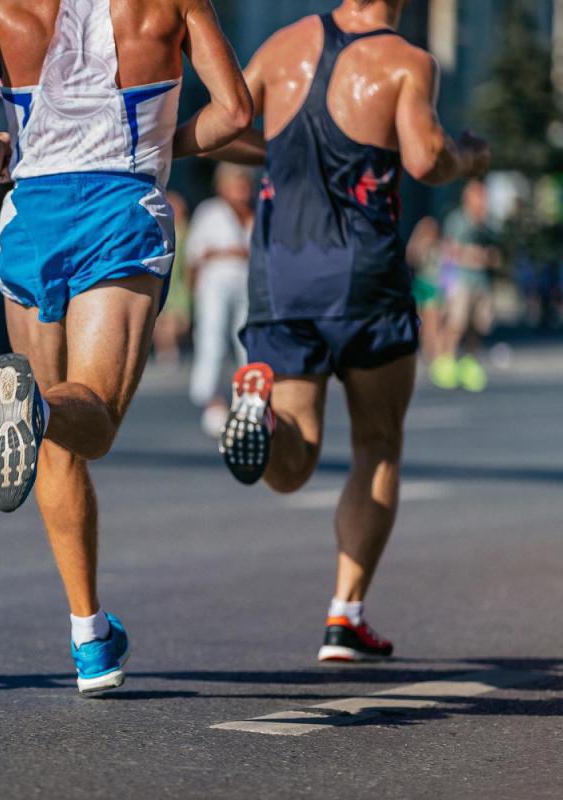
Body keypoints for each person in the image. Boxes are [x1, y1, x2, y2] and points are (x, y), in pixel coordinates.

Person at [0, 0, 252, 694]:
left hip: (29, 214)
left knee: (55, 445)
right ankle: (32, 406)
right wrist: (169, 140)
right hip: (119, 207)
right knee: (90, 418)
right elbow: (237, 114)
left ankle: (90, 635)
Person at [212, 0, 489, 662]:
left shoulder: (282, 46)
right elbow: (424, 160)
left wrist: (279, 150)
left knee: (293, 461)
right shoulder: (406, 60)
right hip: (364, 281)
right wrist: (467, 157)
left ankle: (261, 418)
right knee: (377, 445)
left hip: (280, 281)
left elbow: (223, 127)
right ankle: (345, 615)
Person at [187, 163, 253, 437]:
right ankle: (211, 399)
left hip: (248, 284)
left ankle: (250, 400)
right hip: (216, 283)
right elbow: (193, 255)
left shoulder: (255, 214)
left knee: (247, 340)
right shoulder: (210, 211)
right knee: (212, 338)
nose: (241, 189)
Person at [432, 180, 500, 392]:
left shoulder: (487, 224)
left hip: (481, 282)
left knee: (477, 326)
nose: (482, 202)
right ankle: (445, 361)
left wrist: (488, 257)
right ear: (468, 198)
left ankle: (470, 363)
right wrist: (477, 255)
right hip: (461, 281)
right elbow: (450, 250)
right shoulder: (458, 220)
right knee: (456, 323)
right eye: (478, 197)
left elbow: (496, 255)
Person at [151, 191, 191, 369]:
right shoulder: (162, 230)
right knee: (163, 319)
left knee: (180, 321)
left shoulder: (187, 231)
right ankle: (167, 351)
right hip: (166, 276)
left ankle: (168, 349)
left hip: (179, 281)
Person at [406, 215, 443, 365]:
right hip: (420, 285)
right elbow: (411, 259)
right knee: (421, 324)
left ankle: (433, 354)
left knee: (432, 323)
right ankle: (427, 351)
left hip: (433, 286)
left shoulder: (440, 246)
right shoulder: (417, 245)